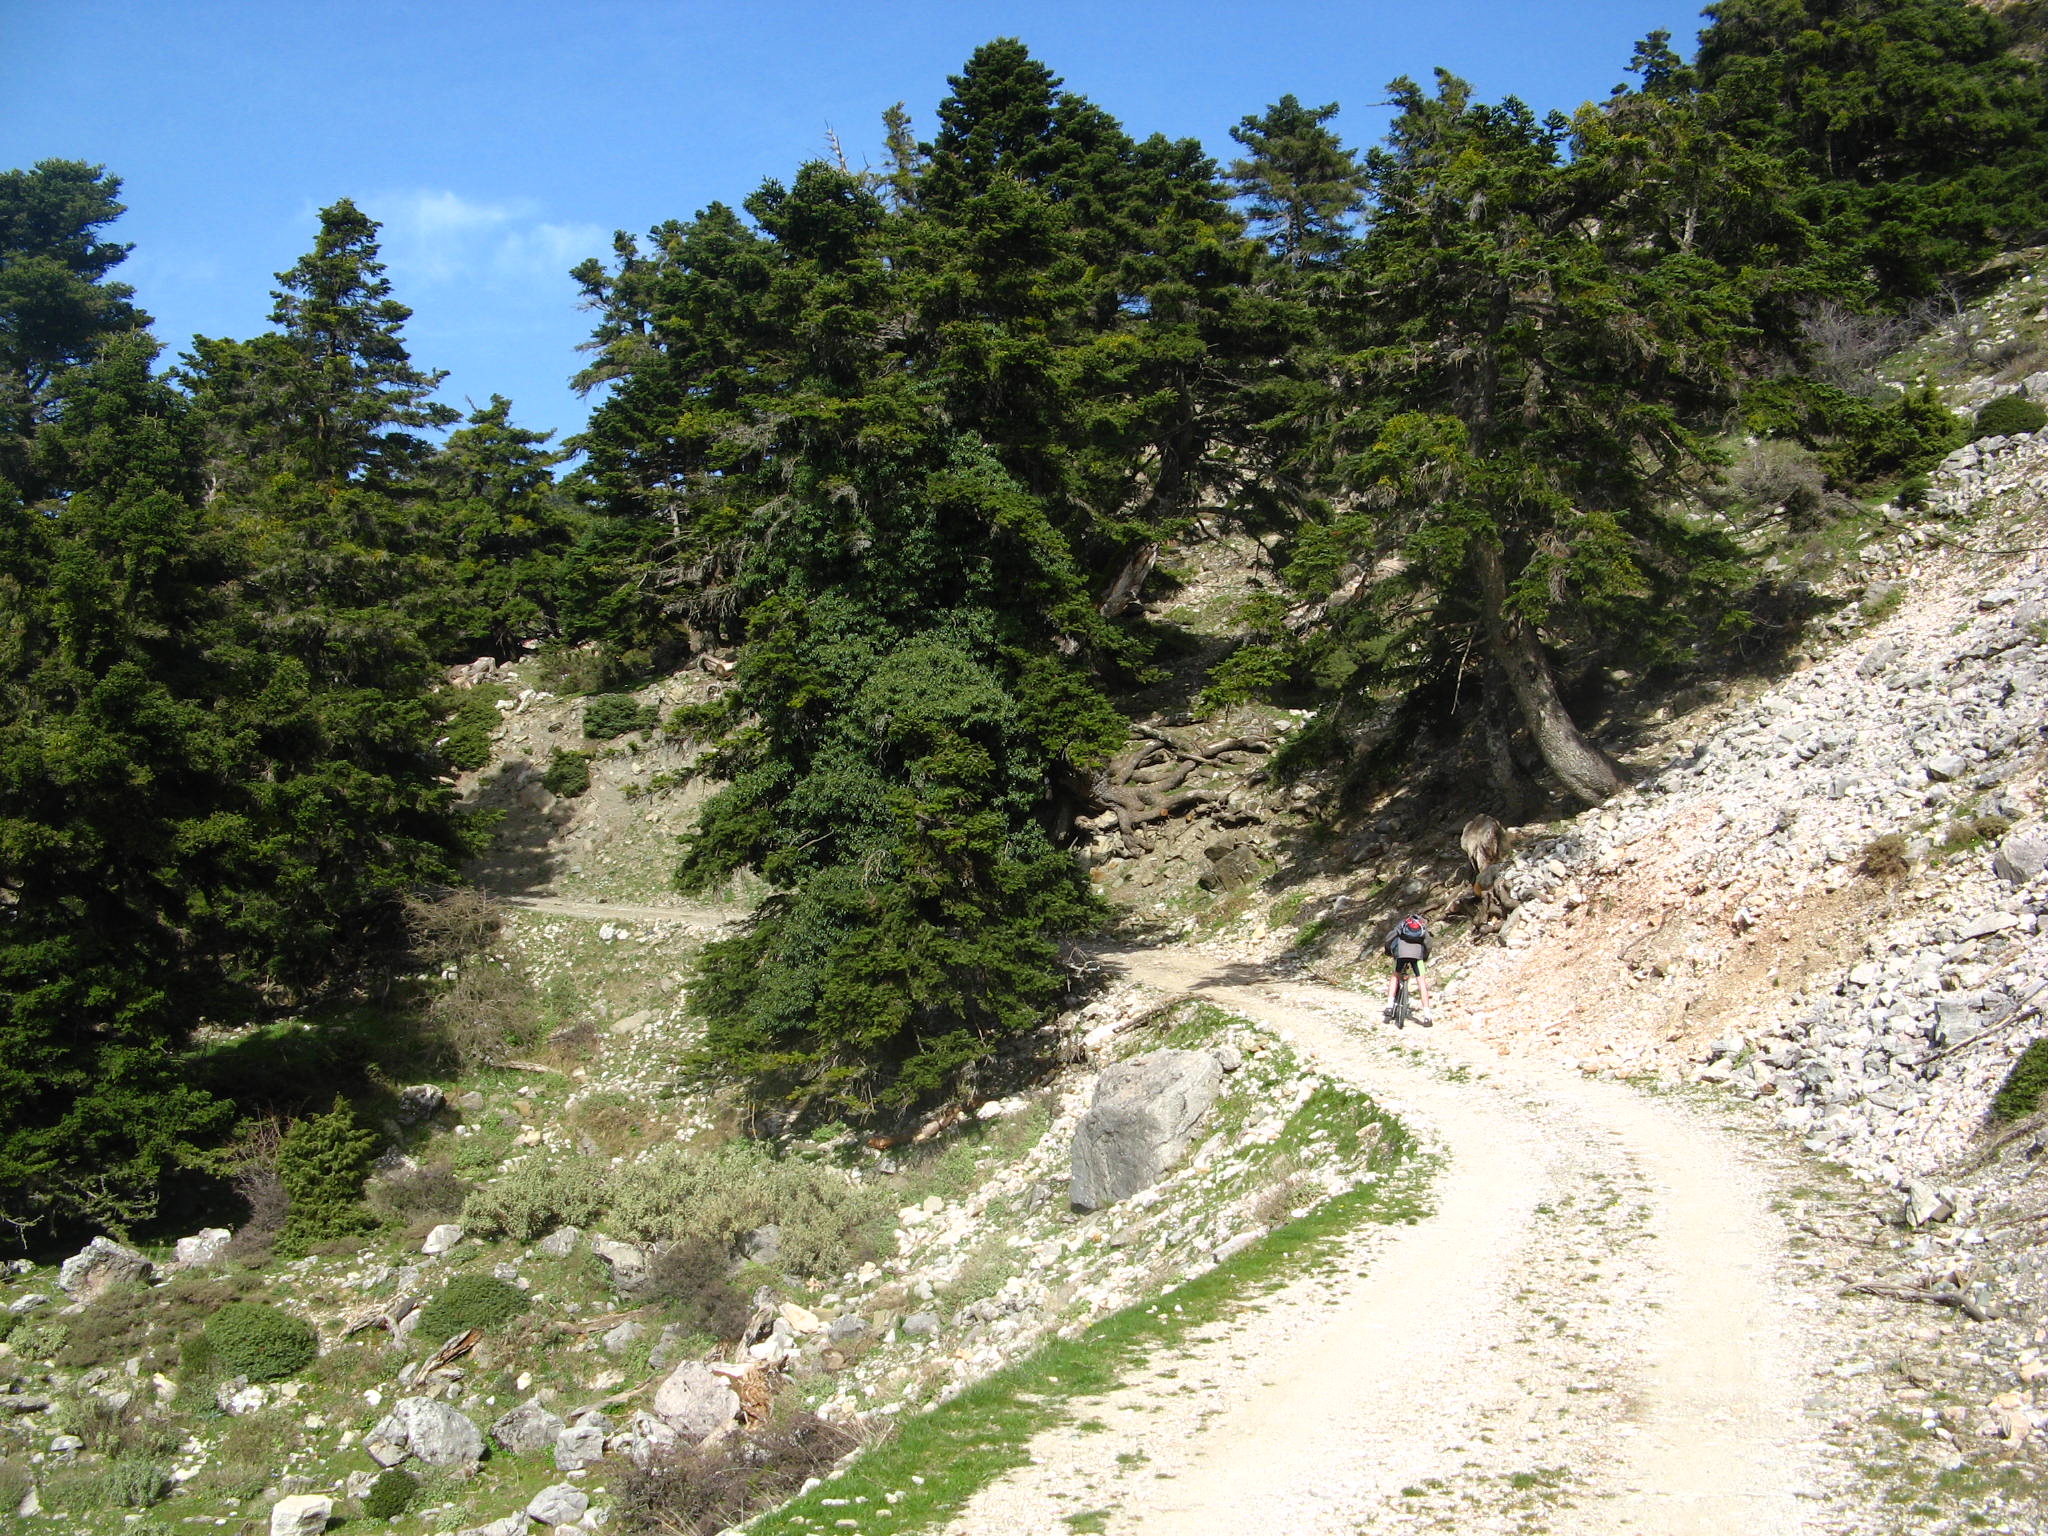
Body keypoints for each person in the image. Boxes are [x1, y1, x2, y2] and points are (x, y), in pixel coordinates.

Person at [1381, 914, 1432, 1025]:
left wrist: (1387, 950)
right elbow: (1428, 943)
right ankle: (1427, 1016)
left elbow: (1390, 937)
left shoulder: (1403, 923)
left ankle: (1389, 1006)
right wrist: (1425, 956)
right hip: (1417, 956)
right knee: (1421, 982)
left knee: (1395, 976)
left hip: (1401, 954)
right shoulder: (1422, 926)